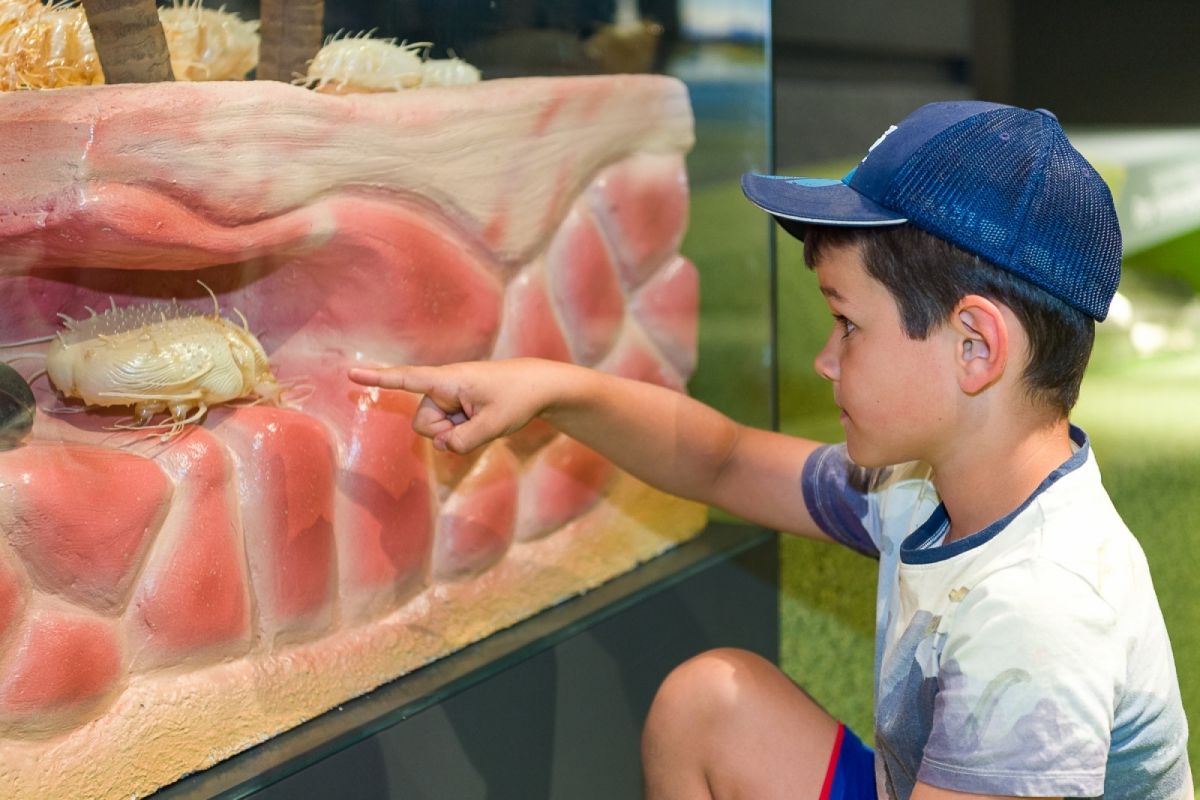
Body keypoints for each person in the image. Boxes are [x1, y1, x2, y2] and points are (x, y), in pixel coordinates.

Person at [349, 101, 1192, 800]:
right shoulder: (927, 486)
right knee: (709, 704)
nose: (826, 360)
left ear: (975, 346)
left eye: (848, 325)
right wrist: (552, 388)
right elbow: (717, 461)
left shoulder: (1036, 611)